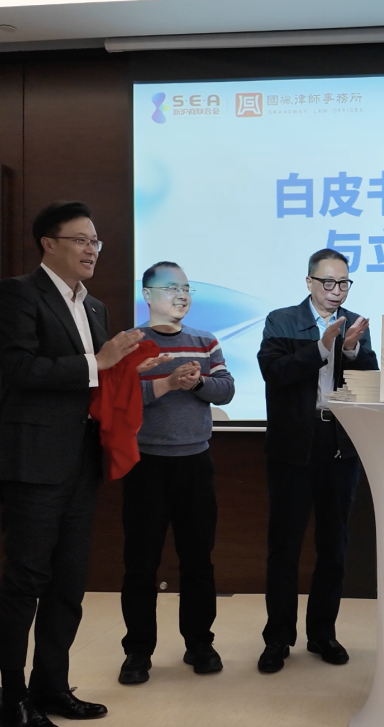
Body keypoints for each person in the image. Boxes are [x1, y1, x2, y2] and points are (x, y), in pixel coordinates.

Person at [0, 201, 164, 727]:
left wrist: (126, 367)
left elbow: (96, 381)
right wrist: (99, 362)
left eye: (96, 242)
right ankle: (13, 697)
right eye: (81, 240)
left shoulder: (96, 307)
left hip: (81, 459)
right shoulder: (19, 293)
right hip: (33, 459)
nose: (91, 250)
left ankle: (52, 685)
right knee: (26, 579)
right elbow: (19, 368)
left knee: (68, 581)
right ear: (49, 243)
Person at [255, 249, 378, 673]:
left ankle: (323, 633)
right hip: (293, 444)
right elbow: (275, 373)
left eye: (343, 283)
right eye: (328, 282)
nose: (336, 291)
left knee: (334, 545)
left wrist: (353, 350)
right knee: (284, 546)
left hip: (339, 442)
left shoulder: (356, 322)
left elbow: (370, 383)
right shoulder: (282, 321)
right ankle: (278, 639)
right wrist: (322, 348)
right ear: (309, 282)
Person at [117, 262, 236, 686]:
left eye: (186, 288)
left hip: (195, 464)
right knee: (141, 563)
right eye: (171, 288)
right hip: (146, 465)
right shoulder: (131, 343)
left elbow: (226, 389)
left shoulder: (205, 341)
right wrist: (167, 383)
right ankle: (137, 652)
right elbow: (120, 398)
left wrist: (197, 383)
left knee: (198, 560)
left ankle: (200, 644)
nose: (181, 295)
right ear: (148, 295)